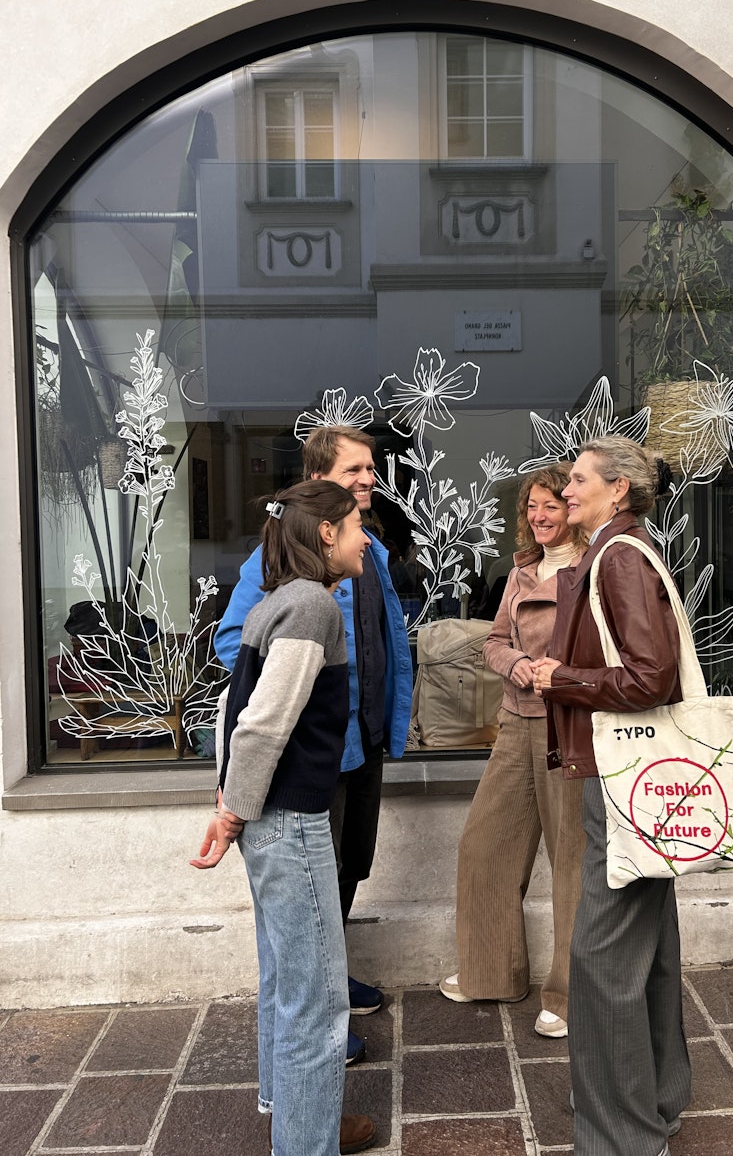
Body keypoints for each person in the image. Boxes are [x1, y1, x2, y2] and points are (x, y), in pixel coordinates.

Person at [214, 425, 414, 1065]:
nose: (369, 479)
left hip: (366, 740)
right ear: (318, 480)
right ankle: (315, 1015)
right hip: (321, 751)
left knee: (349, 865)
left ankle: (332, 978)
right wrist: (296, 696)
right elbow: (235, 642)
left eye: (371, 468)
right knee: (308, 886)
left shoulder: (367, 548)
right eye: (355, 469)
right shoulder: (278, 558)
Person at [191, 480, 376, 1156]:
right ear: (327, 533)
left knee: (285, 980)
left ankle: (299, 1118)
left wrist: (230, 805)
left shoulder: (276, 601)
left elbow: (231, 711)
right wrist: (230, 814)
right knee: (317, 1001)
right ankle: (305, 1142)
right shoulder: (312, 606)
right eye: (355, 525)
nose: (365, 538)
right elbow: (261, 724)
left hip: (269, 821)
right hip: (290, 823)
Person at [531, 436, 692, 1156]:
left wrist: (559, 678)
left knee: (600, 955)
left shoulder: (618, 556)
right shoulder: (617, 551)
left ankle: (622, 1134)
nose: (566, 490)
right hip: (636, 776)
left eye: (577, 479)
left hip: (619, 778)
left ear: (618, 488)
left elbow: (650, 676)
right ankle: (654, 1101)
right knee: (647, 948)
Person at [438, 465, 587, 1038]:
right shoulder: (521, 570)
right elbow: (494, 641)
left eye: (551, 504)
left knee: (571, 860)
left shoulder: (591, 567)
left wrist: (558, 673)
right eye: (531, 506)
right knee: (484, 845)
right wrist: (515, 663)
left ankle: (569, 997)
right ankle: (492, 973)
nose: (540, 516)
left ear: (572, 508)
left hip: (566, 727)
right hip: (515, 721)